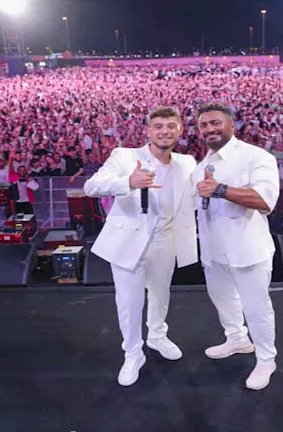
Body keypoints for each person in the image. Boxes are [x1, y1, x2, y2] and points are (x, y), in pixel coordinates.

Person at [83, 106, 198, 387]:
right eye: (158, 126)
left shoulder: (187, 162)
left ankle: (157, 335)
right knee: (129, 301)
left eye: (171, 126)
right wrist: (128, 182)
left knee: (160, 294)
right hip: (128, 242)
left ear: (180, 130)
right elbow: (91, 186)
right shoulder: (125, 156)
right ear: (148, 130)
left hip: (166, 241)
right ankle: (133, 353)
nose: (164, 131)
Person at [193, 102, 280, 391]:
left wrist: (220, 189)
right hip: (213, 250)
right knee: (223, 299)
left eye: (215, 123)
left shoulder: (256, 157)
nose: (210, 129)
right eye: (204, 125)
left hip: (247, 249)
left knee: (257, 308)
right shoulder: (202, 165)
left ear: (232, 125)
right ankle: (237, 339)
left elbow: (265, 200)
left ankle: (266, 359)